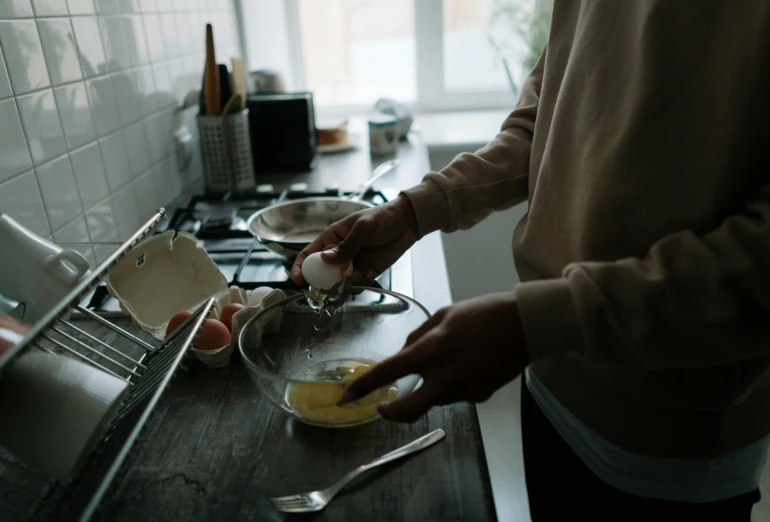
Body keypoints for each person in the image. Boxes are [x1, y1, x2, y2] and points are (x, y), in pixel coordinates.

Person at [292, 1, 770, 519]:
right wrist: (418, 209)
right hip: (548, 383)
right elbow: (547, 113)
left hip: (667, 443)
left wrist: (536, 321)